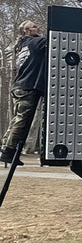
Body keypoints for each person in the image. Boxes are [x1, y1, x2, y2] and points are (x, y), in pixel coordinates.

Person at [1, 20, 47, 165]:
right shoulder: (35, 43)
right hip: (28, 86)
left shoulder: (22, 46)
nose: (37, 27)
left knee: (16, 119)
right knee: (22, 120)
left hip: (18, 86)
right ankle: (9, 151)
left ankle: (5, 148)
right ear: (27, 30)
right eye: (34, 26)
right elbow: (53, 39)